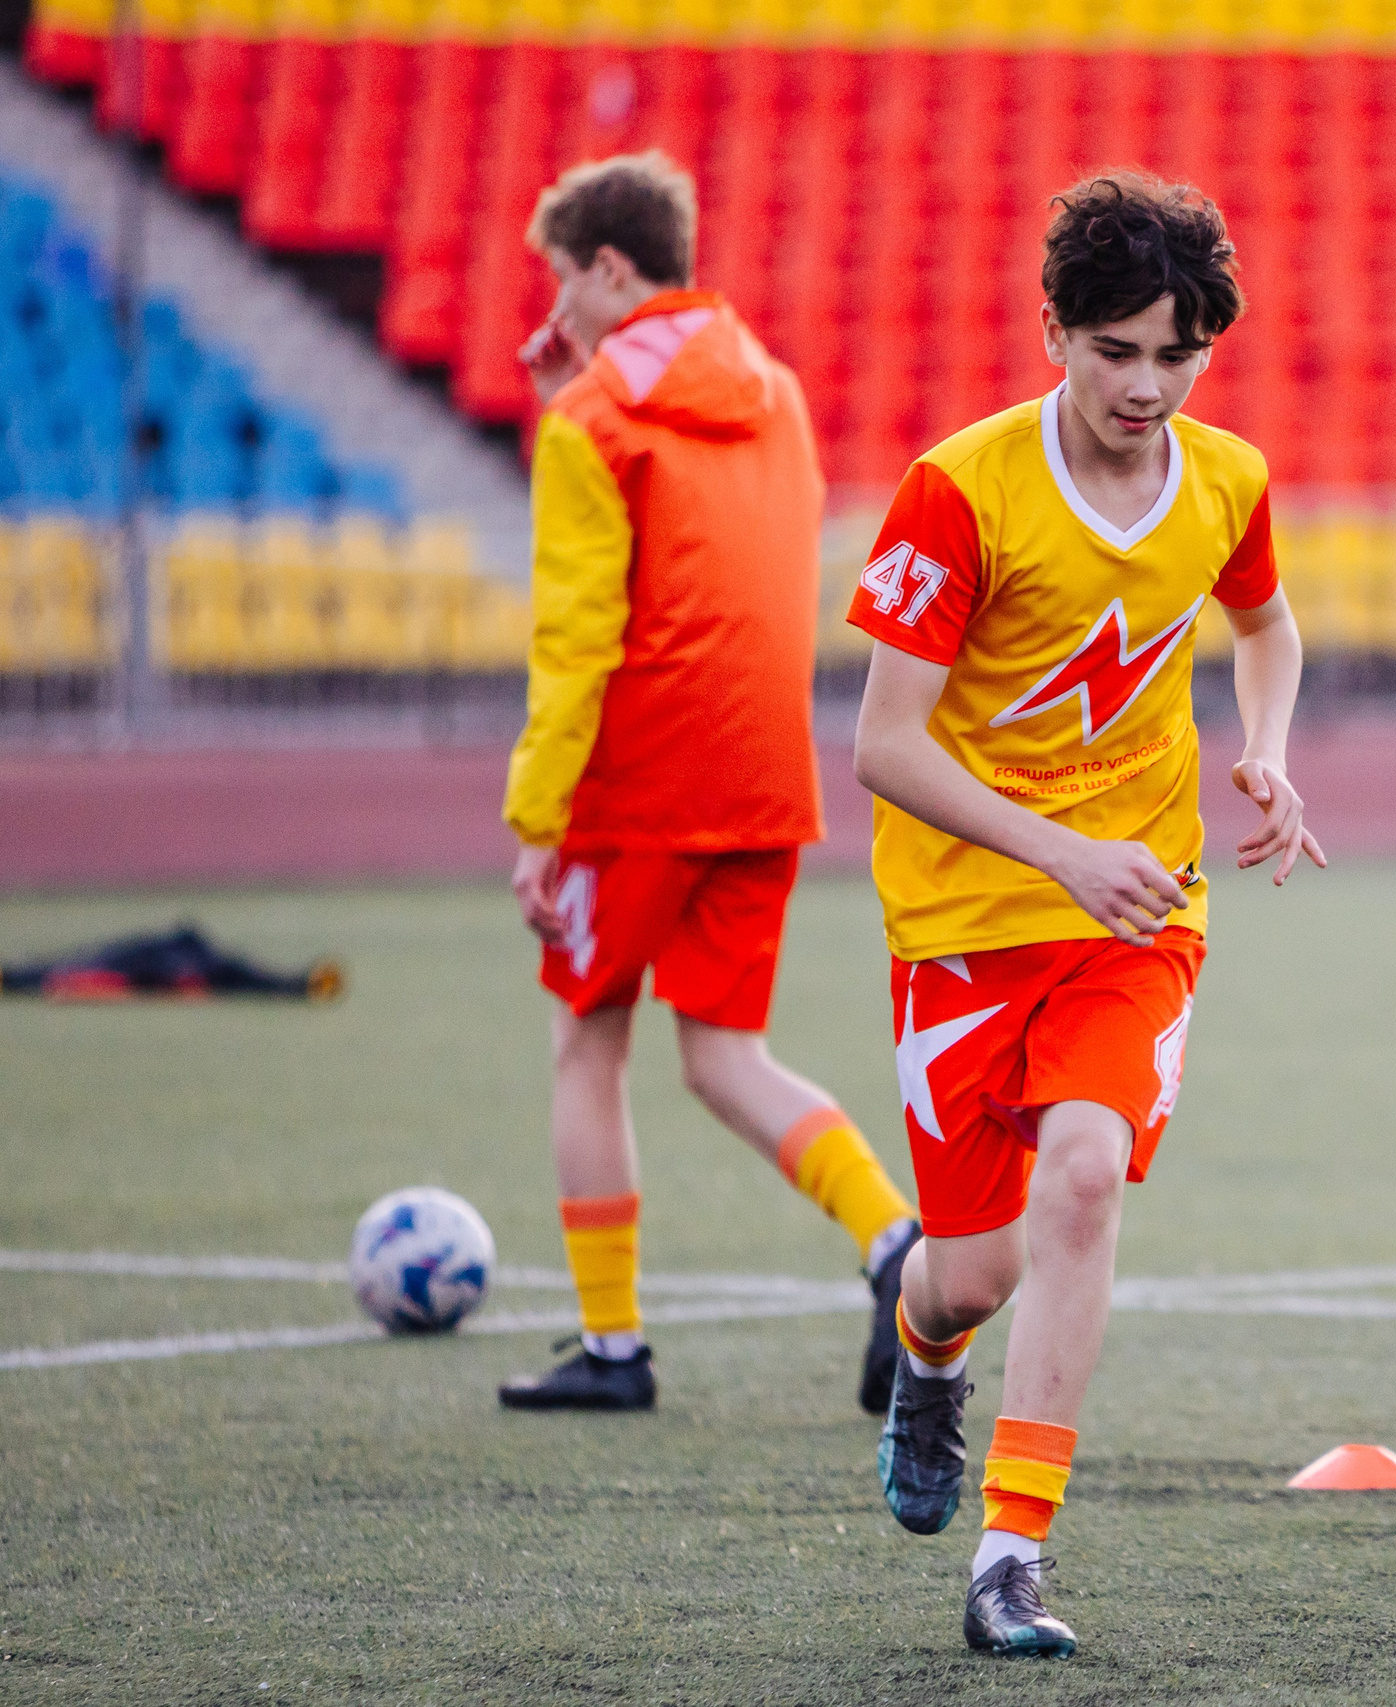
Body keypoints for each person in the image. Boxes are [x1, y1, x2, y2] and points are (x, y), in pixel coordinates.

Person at [852, 171, 1321, 1657]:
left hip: (1139, 913)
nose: (1147, 383)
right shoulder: (960, 488)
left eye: (1177, 354)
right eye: (1116, 349)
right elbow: (881, 743)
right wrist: (1057, 850)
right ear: (1053, 329)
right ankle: (925, 1352)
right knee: (970, 1268)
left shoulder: (1230, 478)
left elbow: (1268, 620)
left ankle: (1010, 1555)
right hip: (965, 926)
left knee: (1085, 1177)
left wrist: (1267, 743)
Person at [496, 152, 920, 1417]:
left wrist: (535, 819)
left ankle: (613, 1348)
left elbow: (578, 637)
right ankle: (894, 1239)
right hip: (762, 768)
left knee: (588, 1040)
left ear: (611, 269)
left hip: (638, 778)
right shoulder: (774, 389)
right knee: (725, 1052)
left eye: (564, 280)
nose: (555, 307)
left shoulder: (592, 422)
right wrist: (577, 390)